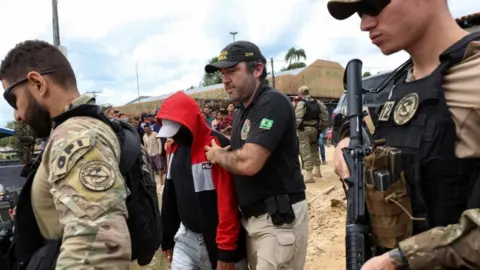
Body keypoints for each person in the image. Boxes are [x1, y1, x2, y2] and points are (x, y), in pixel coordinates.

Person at [327, 0, 480, 269]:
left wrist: (401, 259)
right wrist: (350, 143)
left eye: (373, 5)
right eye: (360, 13)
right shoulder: (397, 86)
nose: (365, 24)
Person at [0, 40, 130, 268]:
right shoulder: (72, 131)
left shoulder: (76, 136)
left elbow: (97, 248)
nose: (17, 115)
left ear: (37, 83)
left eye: (12, 99)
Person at [204, 40, 308, 270]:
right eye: (222, 73)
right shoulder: (243, 109)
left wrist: (218, 155)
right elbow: (242, 151)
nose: (225, 79)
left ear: (258, 69)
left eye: (232, 70)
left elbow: (249, 162)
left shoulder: (272, 102)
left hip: (278, 220)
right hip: (254, 220)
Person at [157, 91, 246, 270]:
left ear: (190, 122)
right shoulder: (173, 149)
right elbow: (171, 195)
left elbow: (228, 203)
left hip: (220, 241)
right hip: (187, 237)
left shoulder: (216, 145)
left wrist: (226, 250)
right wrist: (167, 238)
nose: (173, 137)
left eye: (176, 131)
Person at [295, 86, 329, 183]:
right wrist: (320, 128)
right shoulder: (318, 103)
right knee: (314, 149)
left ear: (301, 94)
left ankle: (309, 175)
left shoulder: (301, 103)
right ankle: (317, 171)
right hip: (315, 129)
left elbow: (298, 119)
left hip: (303, 129)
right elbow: (325, 117)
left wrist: (294, 129)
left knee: (305, 150)